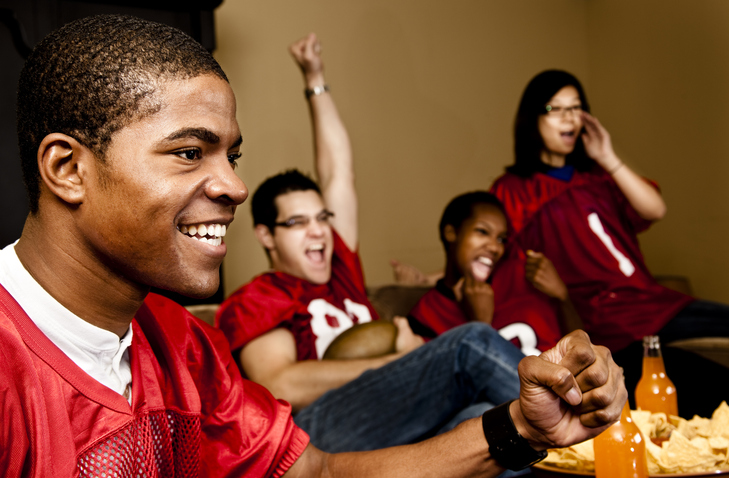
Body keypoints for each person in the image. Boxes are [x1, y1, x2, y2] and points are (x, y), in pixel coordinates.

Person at [0, 17, 626, 477]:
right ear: (67, 169)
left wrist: (521, 427)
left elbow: (315, 474)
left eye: (231, 156)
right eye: (190, 153)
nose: (235, 186)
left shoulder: (183, 342)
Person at [489, 69, 729, 417]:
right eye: (556, 108)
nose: (569, 117)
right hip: (606, 321)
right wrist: (430, 279)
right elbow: (493, 252)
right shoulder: (513, 189)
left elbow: (655, 208)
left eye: (576, 107)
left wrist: (607, 155)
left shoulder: (598, 176)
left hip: (654, 305)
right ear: (533, 117)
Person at [407, 191, 575, 355]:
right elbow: (467, 378)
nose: (495, 248)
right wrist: (480, 324)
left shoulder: (524, 275)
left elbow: (581, 348)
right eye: (482, 232)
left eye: (501, 239)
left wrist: (562, 297)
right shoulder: (424, 316)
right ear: (451, 233)